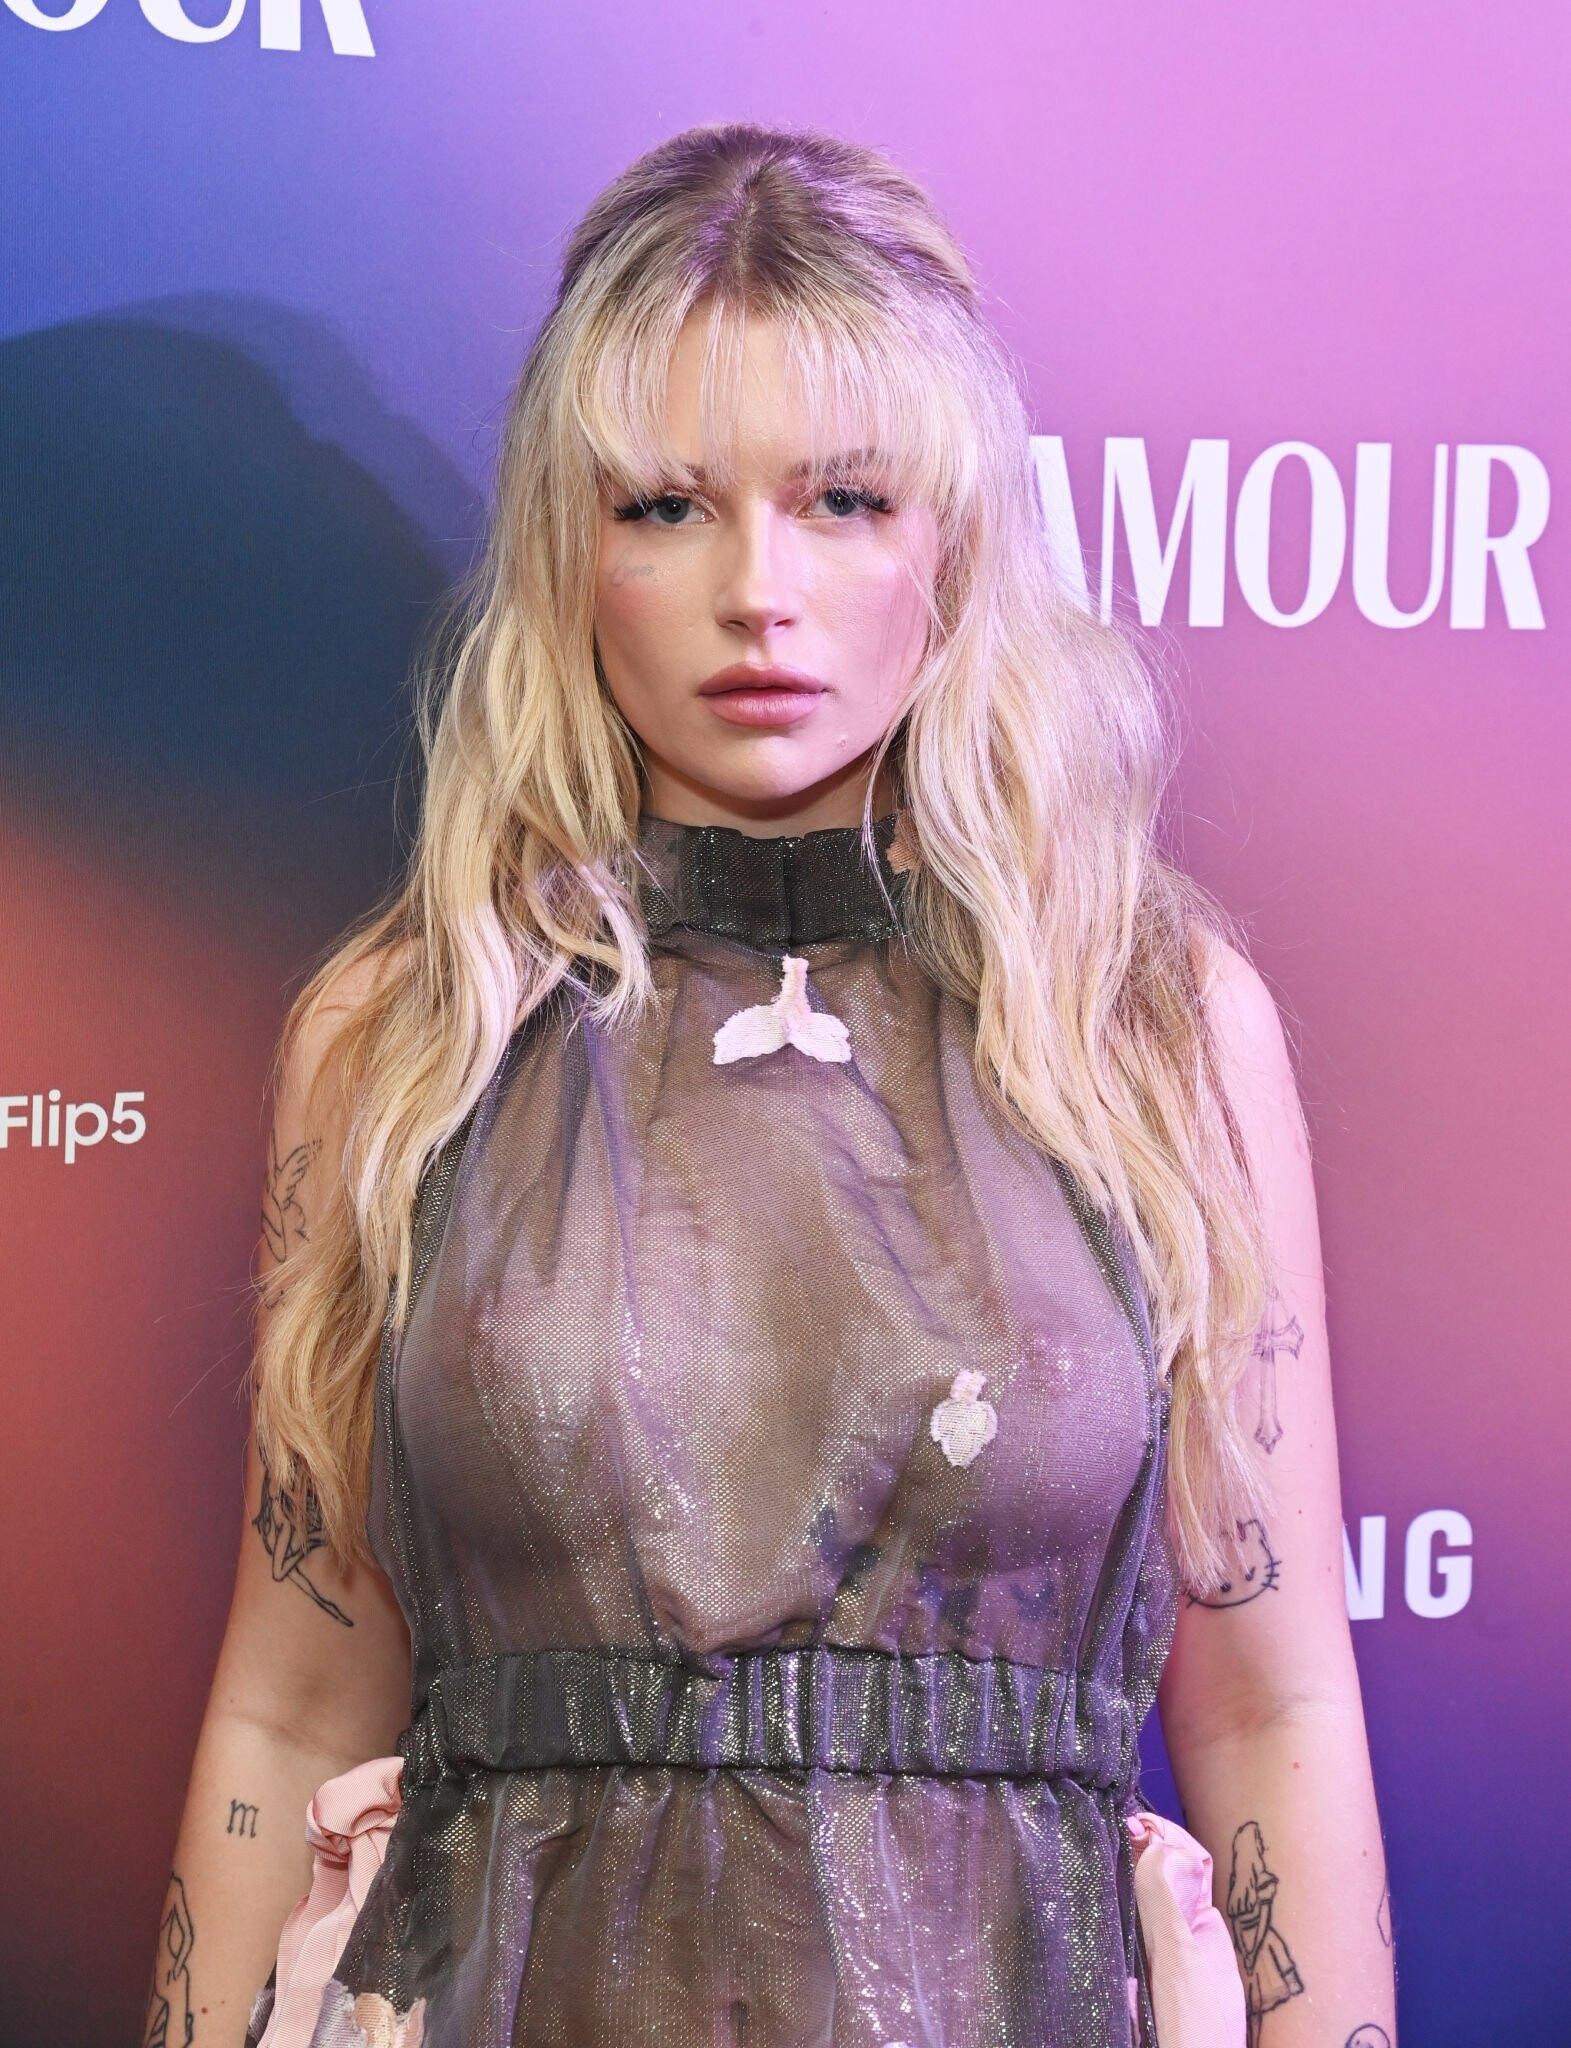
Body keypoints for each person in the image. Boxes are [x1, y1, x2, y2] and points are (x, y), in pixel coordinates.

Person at [143, 121, 1396, 2048]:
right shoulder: (404, 1030)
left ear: (954, 537)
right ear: (570, 549)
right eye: (666, 505)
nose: (759, 590)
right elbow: (294, 1702)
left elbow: (1275, 1710)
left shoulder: (1150, 1022)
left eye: (844, 500)